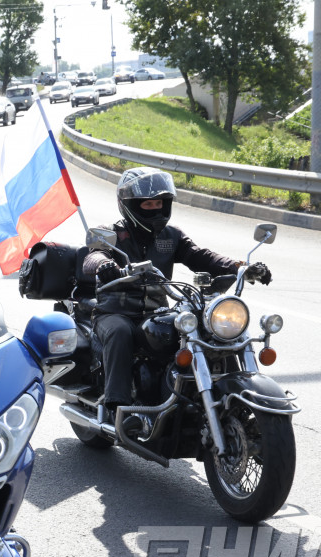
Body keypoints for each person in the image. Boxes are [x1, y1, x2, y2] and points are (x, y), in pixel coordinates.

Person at [81, 167, 272, 428]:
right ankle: (119, 407)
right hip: (115, 311)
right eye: (148, 204)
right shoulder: (113, 233)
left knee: (205, 331)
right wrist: (104, 265)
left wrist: (240, 268)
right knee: (120, 333)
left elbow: (201, 256)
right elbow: (93, 255)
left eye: (159, 203)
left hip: (156, 311)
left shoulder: (171, 236)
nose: (155, 209)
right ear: (131, 205)